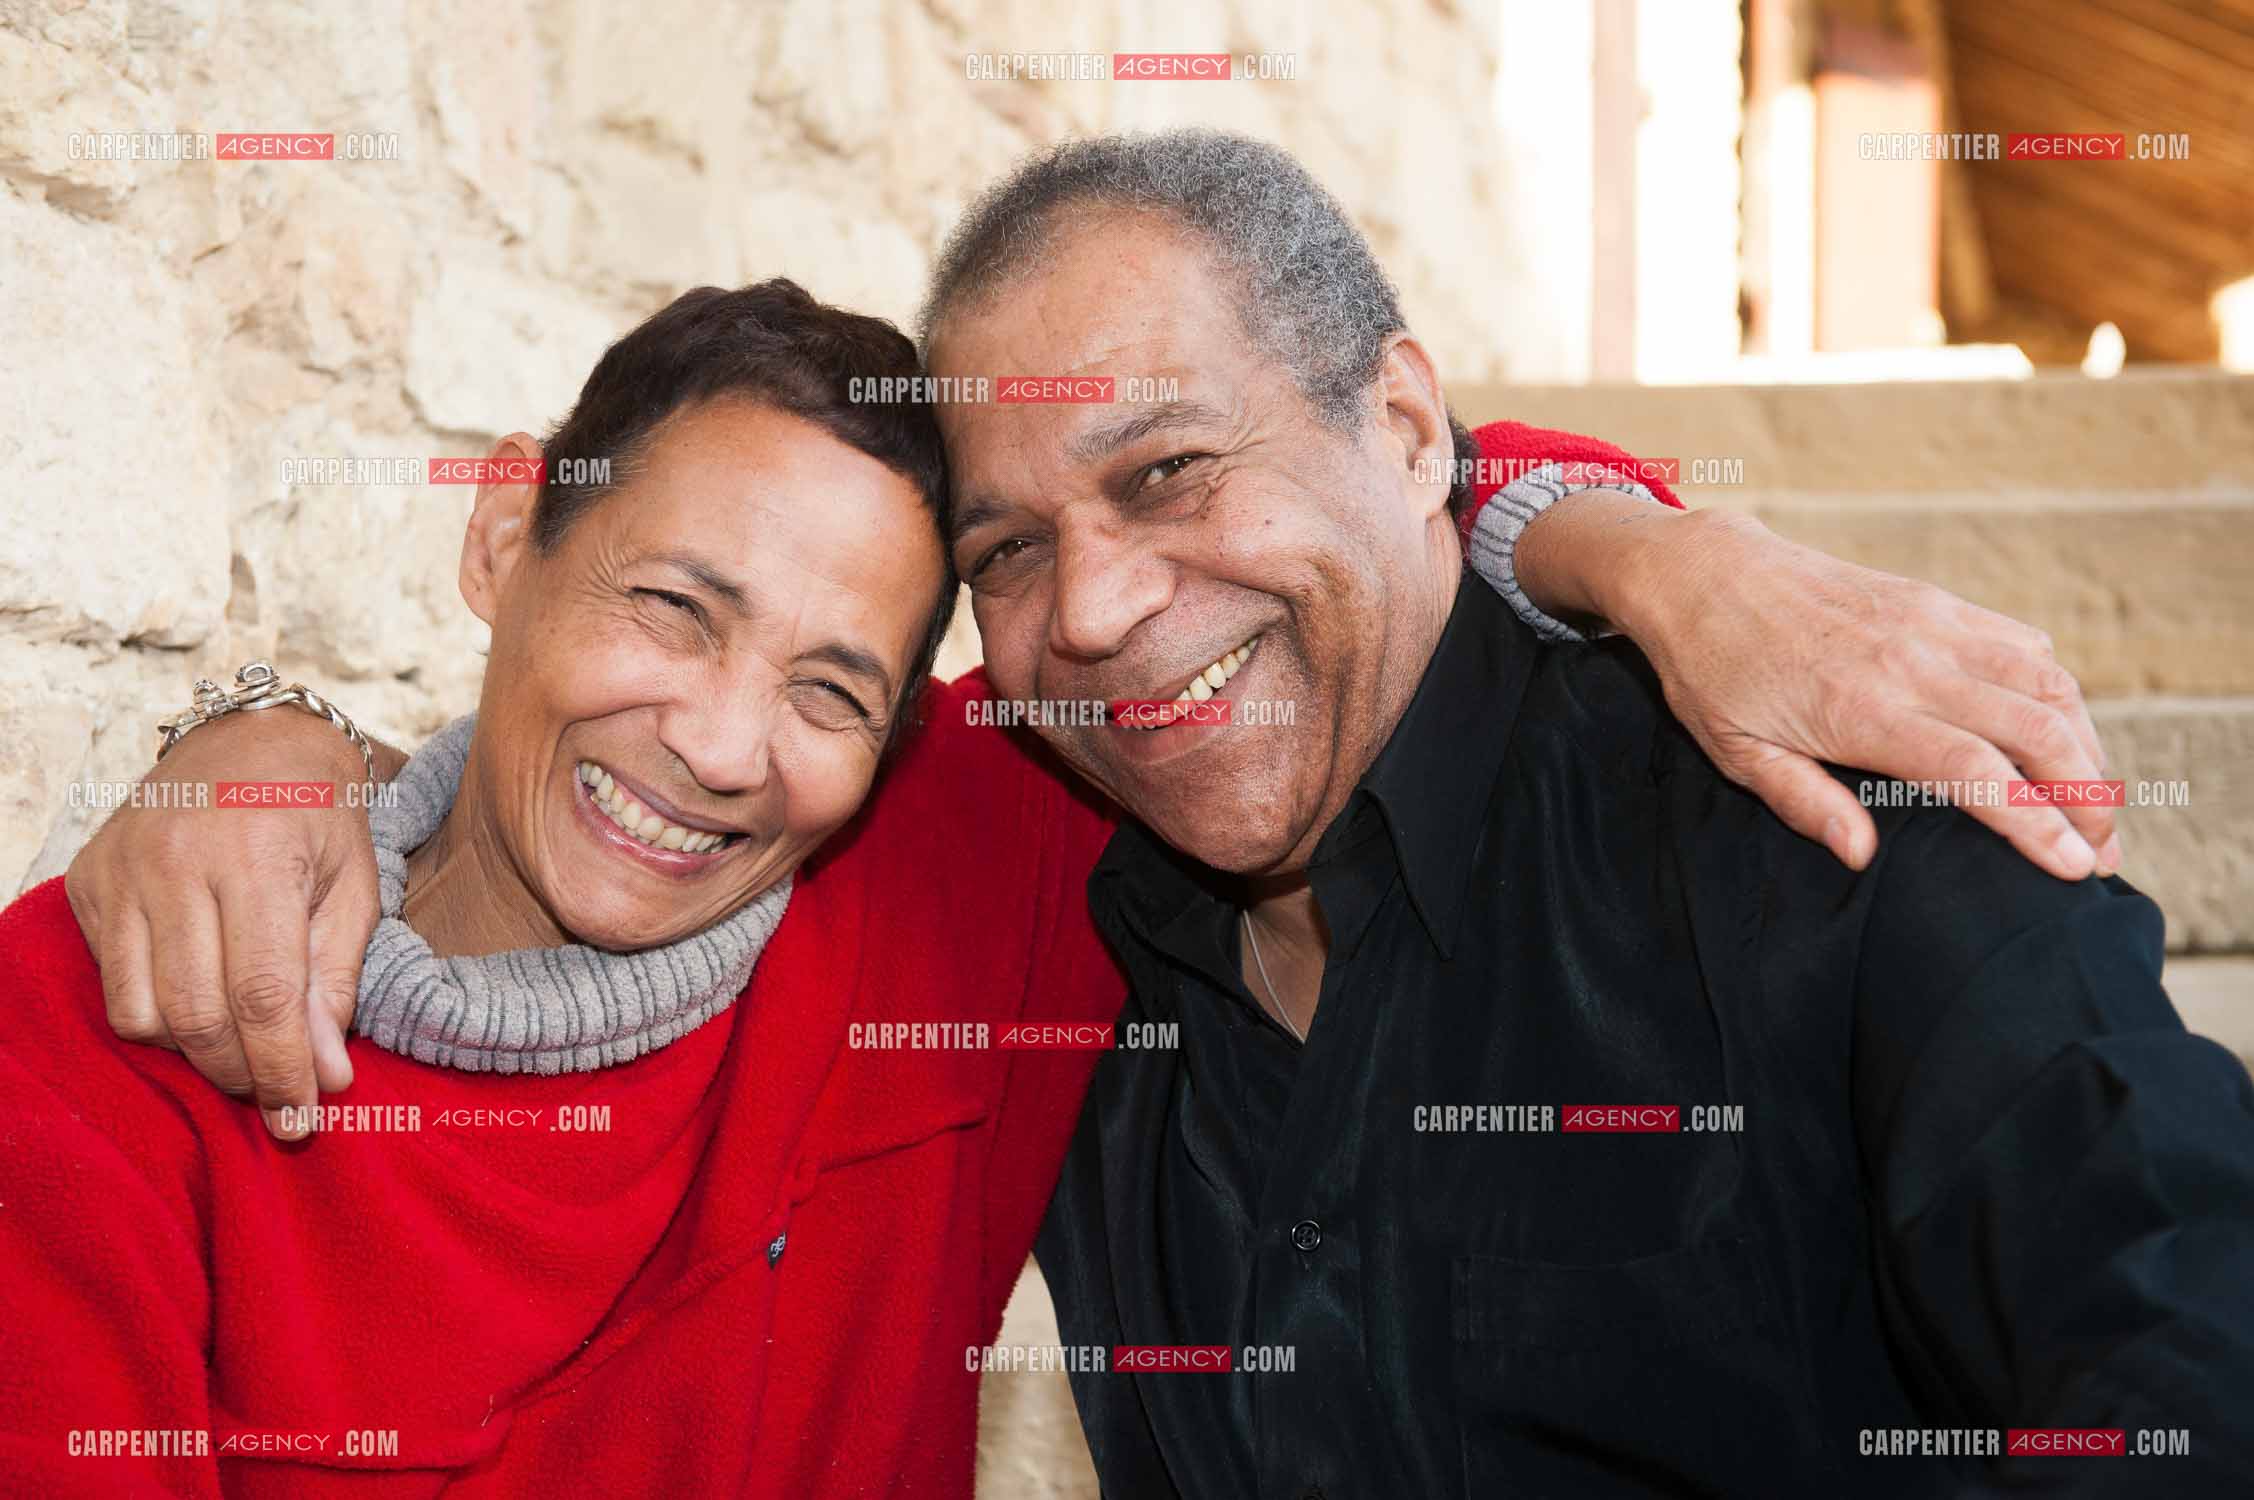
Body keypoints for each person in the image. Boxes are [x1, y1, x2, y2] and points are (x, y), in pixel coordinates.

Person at [43, 133, 2139, 1496]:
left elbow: (1331, 586)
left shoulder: (957, 864)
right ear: (506, 536)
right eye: (668, 606)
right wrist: (255, 722)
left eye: (836, 683)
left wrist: (1652, 555)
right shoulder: (118, 1001)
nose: (717, 740)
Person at [916, 131, 2254, 1495]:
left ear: (1400, 427)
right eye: (1006, 551)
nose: (1088, 610)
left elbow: (2185, 1371)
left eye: (1167, 470)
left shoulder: (1829, 812)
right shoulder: (1038, 908)